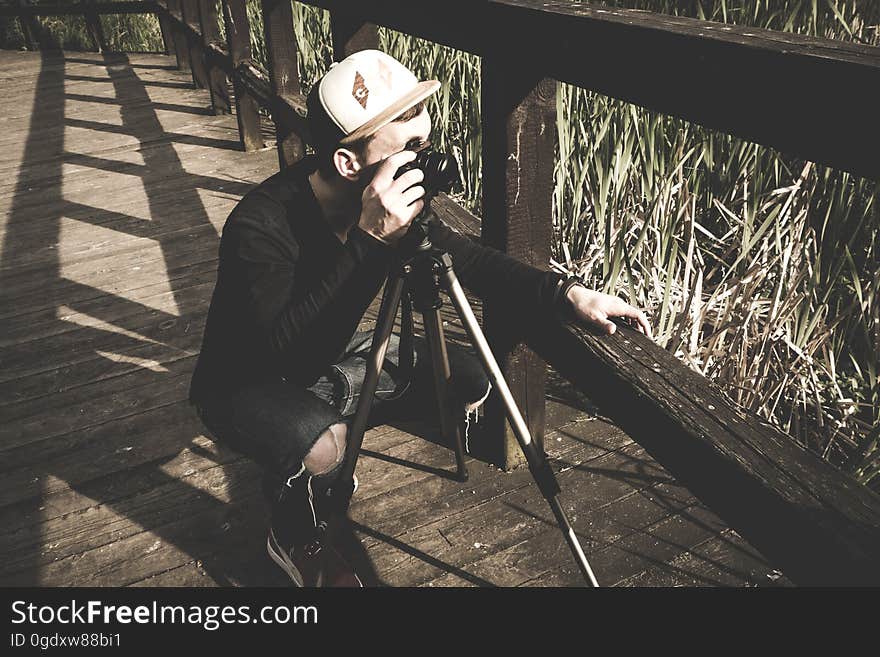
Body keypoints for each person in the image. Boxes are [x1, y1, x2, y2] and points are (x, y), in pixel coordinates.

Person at [189, 50, 652, 587]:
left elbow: (470, 259)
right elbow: (286, 355)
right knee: (322, 442)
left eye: (424, 138)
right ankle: (294, 526)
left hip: (328, 348)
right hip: (247, 378)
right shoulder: (260, 225)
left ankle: (332, 411)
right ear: (348, 162)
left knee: (470, 379)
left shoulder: (387, 196)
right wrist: (368, 242)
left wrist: (569, 293)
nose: (423, 152)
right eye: (408, 144)